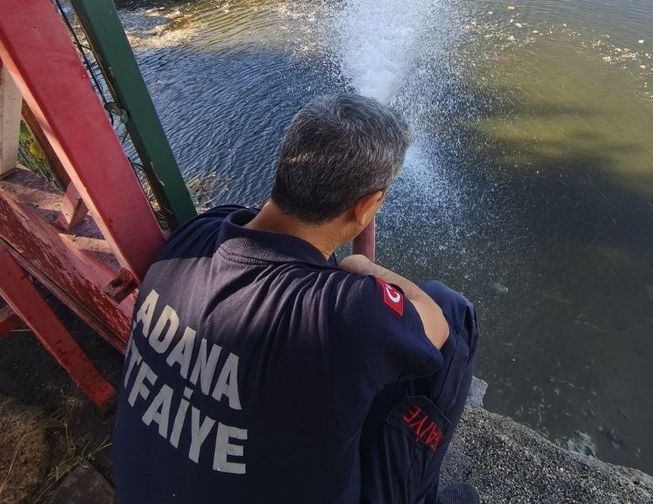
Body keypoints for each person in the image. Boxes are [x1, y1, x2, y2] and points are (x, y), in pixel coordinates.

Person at [112, 94, 480, 504]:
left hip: (145, 489)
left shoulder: (197, 234)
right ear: (367, 207)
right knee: (454, 311)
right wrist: (363, 266)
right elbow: (436, 324)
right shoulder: (345, 316)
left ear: (287, 165)